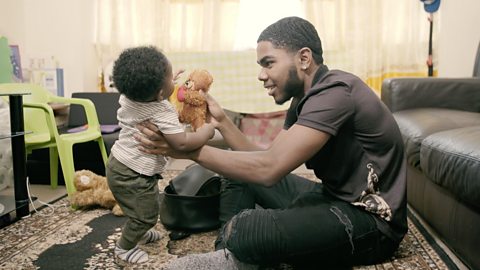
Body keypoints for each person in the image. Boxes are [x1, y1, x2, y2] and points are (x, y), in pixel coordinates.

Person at [136, 17, 407, 269]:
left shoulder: (336, 93)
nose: (261, 75)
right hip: (333, 198)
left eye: (269, 63)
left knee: (249, 227)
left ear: (303, 58)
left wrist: (186, 148)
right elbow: (265, 159)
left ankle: (238, 246)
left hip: (372, 224)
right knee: (239, 173)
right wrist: (221, 121)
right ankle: (232, 255)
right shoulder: (304, 98)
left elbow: (269, 169)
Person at [106, 46, 214, 265]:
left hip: (119, 164)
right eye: (170, 78)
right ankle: (124, 248)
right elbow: (181, 142)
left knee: (141, 204)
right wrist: (206, 132)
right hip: (133, 173)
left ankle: (140, 231)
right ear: (159, 94)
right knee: (145, 214)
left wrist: (165, 84)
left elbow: (149, 91)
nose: (174, 83)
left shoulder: (128, 97)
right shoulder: (161, 111)